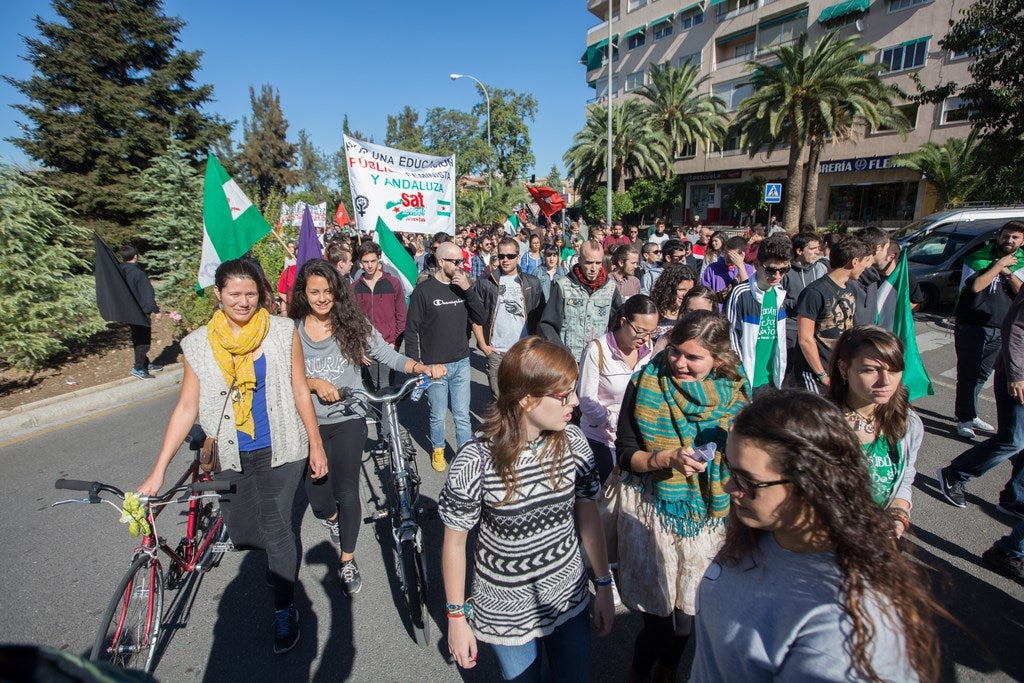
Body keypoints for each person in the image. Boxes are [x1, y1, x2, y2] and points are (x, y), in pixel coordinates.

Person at [138, 258, 328, 655]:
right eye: (235, 294)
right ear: (219, 294)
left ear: (261, 295)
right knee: (243, 533)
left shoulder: (281, 331)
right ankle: (277, 562)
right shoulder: (198, 345)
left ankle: (284, 608)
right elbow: (187, 407)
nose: (243, 302)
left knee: (277, 527)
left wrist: (316, 443)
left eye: (250, 294)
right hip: (230, 453)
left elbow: (298, 388)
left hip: (282, 448)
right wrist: (158, 471)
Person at [692, 390, 944, 682]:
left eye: (747, 480)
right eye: (730, 469)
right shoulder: (761, 532)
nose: (728, 487)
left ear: (810, 483)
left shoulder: (842, 625)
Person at [439, 337, 614, 681]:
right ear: (526, 399)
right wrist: (456, 617)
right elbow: (455, 543)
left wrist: (604, 583)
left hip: (568, 598)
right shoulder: (475, 461)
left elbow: (588, 516)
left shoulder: (574, 443)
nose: (575, 402)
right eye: (564, 395)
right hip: (505, 611)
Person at [289, 259, 443, 595]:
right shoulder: (293, 330)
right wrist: (314, 383)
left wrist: (419, 367)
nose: (322, 298)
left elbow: (385, 354)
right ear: (303, 293)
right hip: (309, 421)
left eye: (328, 291)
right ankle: (333, 520)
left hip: (349, 416)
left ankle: (347, 558)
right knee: (319, 498)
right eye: (314, 292)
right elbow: (287, 376)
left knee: (347, 491)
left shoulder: (351, 322)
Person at [615, 311, 749, 682]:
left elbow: (749, 459)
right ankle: (638, 674)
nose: (679, 363)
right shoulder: (646, 380)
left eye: (693, 357)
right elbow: (625, 454)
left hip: (707, 515)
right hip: (653, 508)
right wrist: (666, 459)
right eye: (675, 351)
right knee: (660, 625)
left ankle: (668, 671)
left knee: (687, 620)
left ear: (718, 360)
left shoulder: (737, 390)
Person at [938, 286, 1024, 515]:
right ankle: (955, 474)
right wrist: (1016, 375)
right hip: (1018, 377)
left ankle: (1015, 498)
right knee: (1012, 441)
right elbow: (1014, 326)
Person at [827, 326, 921, 536]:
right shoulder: (819, 424)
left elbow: (905, 476)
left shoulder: (908, 422)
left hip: (874, 538)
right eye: (871, 370)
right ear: (844, 368)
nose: (885, 381)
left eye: (894, 370)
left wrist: (898, 514)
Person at [405, 242, 486, 472]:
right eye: (456, 261)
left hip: (461, 362)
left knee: (462, 415)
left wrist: (468, 290)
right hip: (435, 366)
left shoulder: (463, 286)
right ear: (441, 262)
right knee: (438, 415)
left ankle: (465, 454)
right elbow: (411, 330)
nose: (461, 265)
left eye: (462, 261)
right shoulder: (424, 291)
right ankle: (438, 449)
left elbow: (481, 317)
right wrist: (415, 365)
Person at [952, 220, 1024, 438]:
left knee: (983, 373)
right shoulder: (977, 258)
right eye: (1006, 236)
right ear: (998, 237)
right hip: (972, 325)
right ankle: (964, 418)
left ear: (1022, 241)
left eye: (1015, 237)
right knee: (968, 373)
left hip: (1002, 327)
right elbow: (976, 286)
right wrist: (998, 265)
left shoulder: (1021, 263)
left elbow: (1021, 292)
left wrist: (1009, 273)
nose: (1009, 240)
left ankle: (972, 412)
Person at [577, 295, 658, 484]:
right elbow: (586, 401)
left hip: (634, 443)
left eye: (651, 333)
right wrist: (617, 422)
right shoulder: (596, 350)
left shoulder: (648, 348)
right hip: (600, 441)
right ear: (623, 322)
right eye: (640, 331)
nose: (645, 338)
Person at [793, 235, 872, 394]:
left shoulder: (849, 289)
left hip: (837, 370)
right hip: (814, 375)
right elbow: (805, 339)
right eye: (865, 261)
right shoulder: (814, 292)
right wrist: (822, 375)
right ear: (854, 262)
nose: (867, 267)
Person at [472, 237, 546, 399]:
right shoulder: (485, 283)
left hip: (524, 352)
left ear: (518, 256)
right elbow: (475, 316)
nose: (505, 260)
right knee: (499, 400)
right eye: (501, 256)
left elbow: (541, 317)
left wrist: (537, 345)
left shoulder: (532, 282)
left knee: (523, 400)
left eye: (510, 256)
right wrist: (483, 345)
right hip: (497, 352)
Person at [724, 235, 790, 394]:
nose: (777, 276)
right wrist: (740, 377)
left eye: (783, 270)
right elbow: (731, 337)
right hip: (746, 379)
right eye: (771, 270)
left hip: (772, 379)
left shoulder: (779, 293)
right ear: (757, 265)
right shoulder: (740, 294)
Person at [539, 239, 623, 362]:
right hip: (569, 360)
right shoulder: (563, 286)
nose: (594, 268)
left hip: (598, 360)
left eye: (598, 263)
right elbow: (547, 324)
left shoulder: (610, 288)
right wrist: (562, 353)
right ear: (579, 260)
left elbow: (618, 325)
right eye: (589, 262)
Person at [352, 242, 407, 392]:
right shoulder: (354, 287)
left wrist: (395, 343)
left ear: (379, 260)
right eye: (365, 262)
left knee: (386, 388)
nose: (369, 266)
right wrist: (358, 347)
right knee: (369, 390)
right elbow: (352, 320)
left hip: (388, 345)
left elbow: (401, 316)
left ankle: (389, 409)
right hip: (366, 346)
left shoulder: (393, 283)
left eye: (373, 261)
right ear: (360, 262)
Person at [782, 232, 828, 381]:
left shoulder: (817, 270)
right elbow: (778, 301)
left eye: (818, 248)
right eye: (812, 248)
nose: (817, 252)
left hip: (812, 327)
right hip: (791, 327)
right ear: (799, 251)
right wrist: (799, 303)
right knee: (787, 369)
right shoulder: (786, 272)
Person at [118, 245, 162, 380]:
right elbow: (147, 294)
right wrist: (155, 310)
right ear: (136, 256)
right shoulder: (138, 273)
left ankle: (145, 363)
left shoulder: (120, 272)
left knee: (137, 338)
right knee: (143, 342)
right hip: (141, 311)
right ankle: (138, 368)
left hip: (130, 311)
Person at [650, 264, 697, 343]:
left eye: (690, 290)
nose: (686, 295)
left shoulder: (691, 316)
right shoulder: (652, 312)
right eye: (681, 289)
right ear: (668, 289)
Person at [700, 235, 753, 302]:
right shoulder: (712, 268)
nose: (727, 258)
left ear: (742, 255)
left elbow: (748, 291)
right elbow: (705, 292)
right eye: (726, 253)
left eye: (732, 255)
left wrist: (740, 266)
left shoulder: (747, 269)